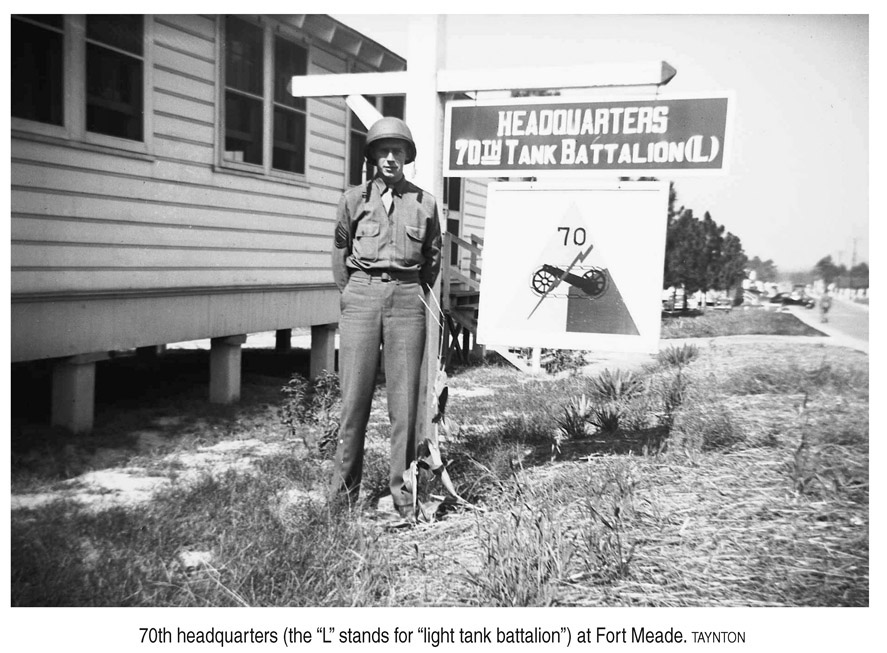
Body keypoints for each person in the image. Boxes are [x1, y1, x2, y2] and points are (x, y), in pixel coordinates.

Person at [330, 117, 442, 519]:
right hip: (361, 297)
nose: (390, 158)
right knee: (353, 401)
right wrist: (356, 295)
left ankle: (405, 497)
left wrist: (406, 292)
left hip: (408, 299)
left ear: (407, 157)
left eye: (397, 151)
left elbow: (432, 260)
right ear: (373, 156)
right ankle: (343, 498)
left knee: (406, 405)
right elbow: (339, 257)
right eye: (383, 150)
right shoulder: (352, 200)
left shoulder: (424, 203)